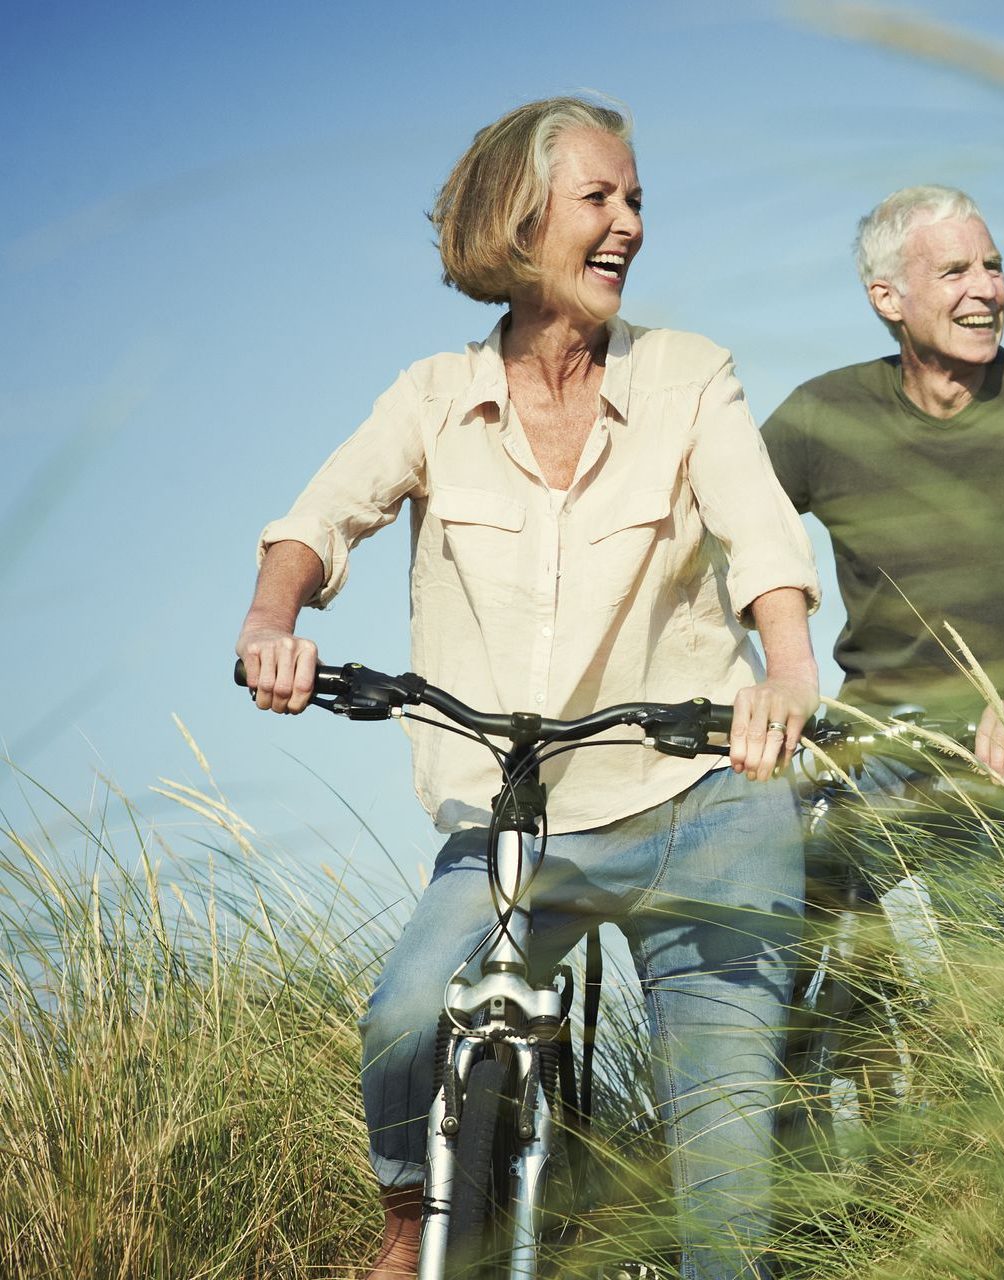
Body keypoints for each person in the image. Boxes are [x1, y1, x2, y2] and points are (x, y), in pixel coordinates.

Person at [236, 97, 818, 1280]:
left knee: (725, 1192)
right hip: (517, 824)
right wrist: (272, 620)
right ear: (520, 216)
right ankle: (419, 1217)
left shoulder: (690, 376)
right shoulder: (433, 397)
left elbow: (762, 538)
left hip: (704, 802)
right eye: (601, 198)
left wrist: (790, 667)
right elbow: (318, 518)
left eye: (637, 200)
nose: (630, 225)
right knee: (408, 1018)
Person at [760, 185, 1004, 896]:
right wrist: (781, 672)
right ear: (888, 299)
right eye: (955, 272)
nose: (987, 289)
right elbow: (726, 537)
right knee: (776, 906)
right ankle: (858, 998)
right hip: (871, 741)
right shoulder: (821, 415)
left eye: (994, 265)